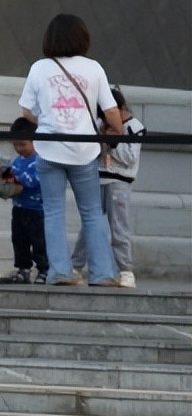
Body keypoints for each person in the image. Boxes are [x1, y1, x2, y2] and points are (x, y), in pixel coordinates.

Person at [18, 13, 124, 287]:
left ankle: (60, 271)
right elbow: (111, 109)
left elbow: (27, 110)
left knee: (53, 211)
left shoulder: (39, 68)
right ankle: (102, 273)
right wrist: (118, 130)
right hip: (84, 149)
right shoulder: (93, 68)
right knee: (91, 211)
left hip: (50, 147)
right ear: (82, 38)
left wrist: (47, 121)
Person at [72, 86, 144, 288]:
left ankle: (125, 270)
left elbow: (130, 159)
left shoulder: (134, 127)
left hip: (119, 182)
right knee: (88, 226)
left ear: (120, 109)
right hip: (96, 178)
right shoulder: (99, 123)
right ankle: (76, 267)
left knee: (119, 227)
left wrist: (115, 142)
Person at [0, 117, 48, 284]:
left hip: (37, 210)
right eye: (15, 145)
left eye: (23, 144)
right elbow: (10, 173)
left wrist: (17, 179)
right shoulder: (17, 161)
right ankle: (23, 269)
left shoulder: (40, 160)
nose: (19, 149)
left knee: (39, 241)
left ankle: (44, 269)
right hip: (19, 208)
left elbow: (34, 180)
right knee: (20, 240)